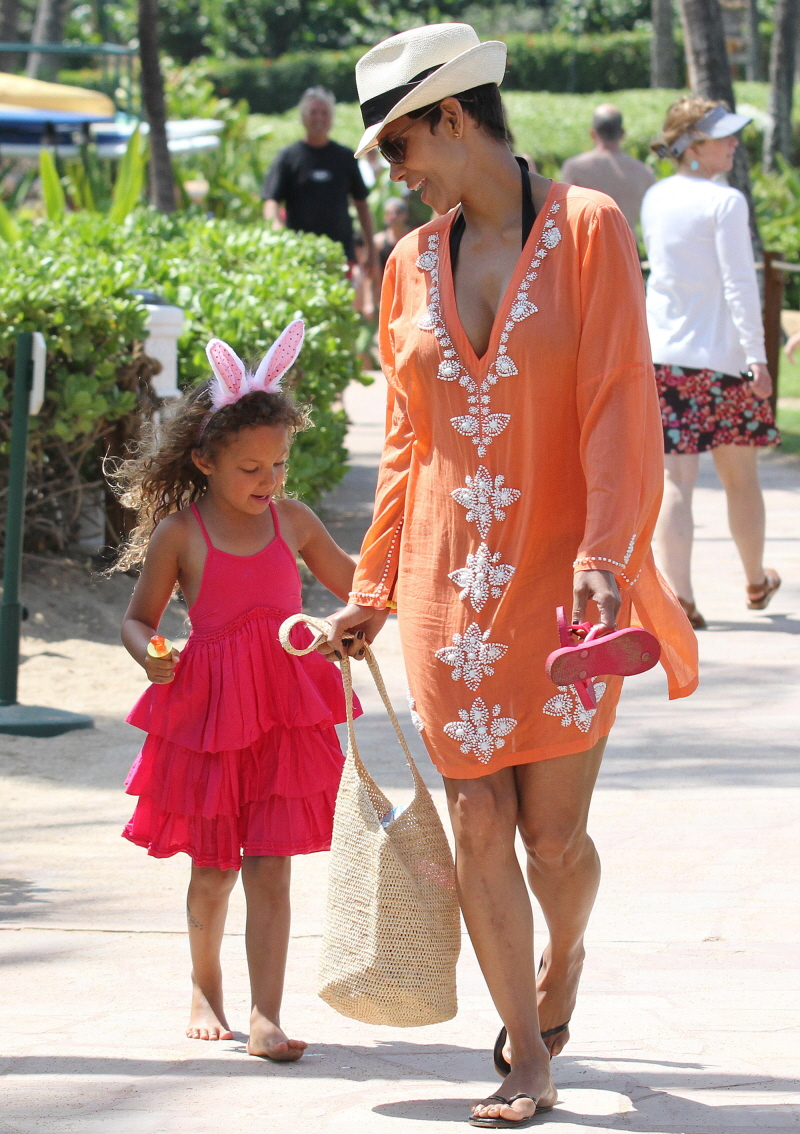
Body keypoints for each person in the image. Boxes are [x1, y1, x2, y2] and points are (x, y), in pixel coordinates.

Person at [322, 24, 698, 1128]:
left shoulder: (587, 228)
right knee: (480, 821)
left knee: (553, 841)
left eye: (398, 146)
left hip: (568, 587)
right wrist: (373, 588)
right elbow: (405, 442)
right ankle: (526, 1054)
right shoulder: (406, 263)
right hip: (445, 590)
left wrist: (605, 554)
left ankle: (562, 953)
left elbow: (620, 401)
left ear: (452, 116)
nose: (394, 172)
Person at [110, 323, 361, 1061]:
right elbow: (137, 620)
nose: (269, 480)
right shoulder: (180, 534)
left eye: (278, 464)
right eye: (251, 467)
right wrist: (151, 654)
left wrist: (344, 623)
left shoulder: (294, 522)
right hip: (212, 714)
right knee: (214, 869)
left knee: (272, 867)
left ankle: (265, 1016)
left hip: (284, 711)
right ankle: (205, 985)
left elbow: (360, 588)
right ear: (205, 461)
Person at [642, 98, 781, 628]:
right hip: (723, 361)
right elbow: (739, 284)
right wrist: (758, 358)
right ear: (693, 146)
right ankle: (755, 580)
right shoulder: (725, 202)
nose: (734, 144)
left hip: (665, 357)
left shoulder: (656, 197)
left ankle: (683, 598)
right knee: (740, 477)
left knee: (676, 481)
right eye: (724, 137)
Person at [262, 86, 376, 272]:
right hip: (299, 255)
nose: (319, 118)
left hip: (341, 253)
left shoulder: (345, 157)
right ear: (303, 116)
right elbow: (271, 200)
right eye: (313, 113)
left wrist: (370, 248)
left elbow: (362, 204)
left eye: (324, 113)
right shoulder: (288, 157)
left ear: (332, 117)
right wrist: (275, 227)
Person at [560, 103, 655, 233]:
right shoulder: (644, 172)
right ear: (622, 134)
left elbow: (564, 214)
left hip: (590, 242)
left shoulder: (574, 168)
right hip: (627, 243)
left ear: (593, 134)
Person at [374, 196, 412, 285]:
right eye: (389, 213)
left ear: (405, 215)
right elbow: (374, 272)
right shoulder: (378, 241)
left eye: (398, 212)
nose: (393, 216)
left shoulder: (413, 238)